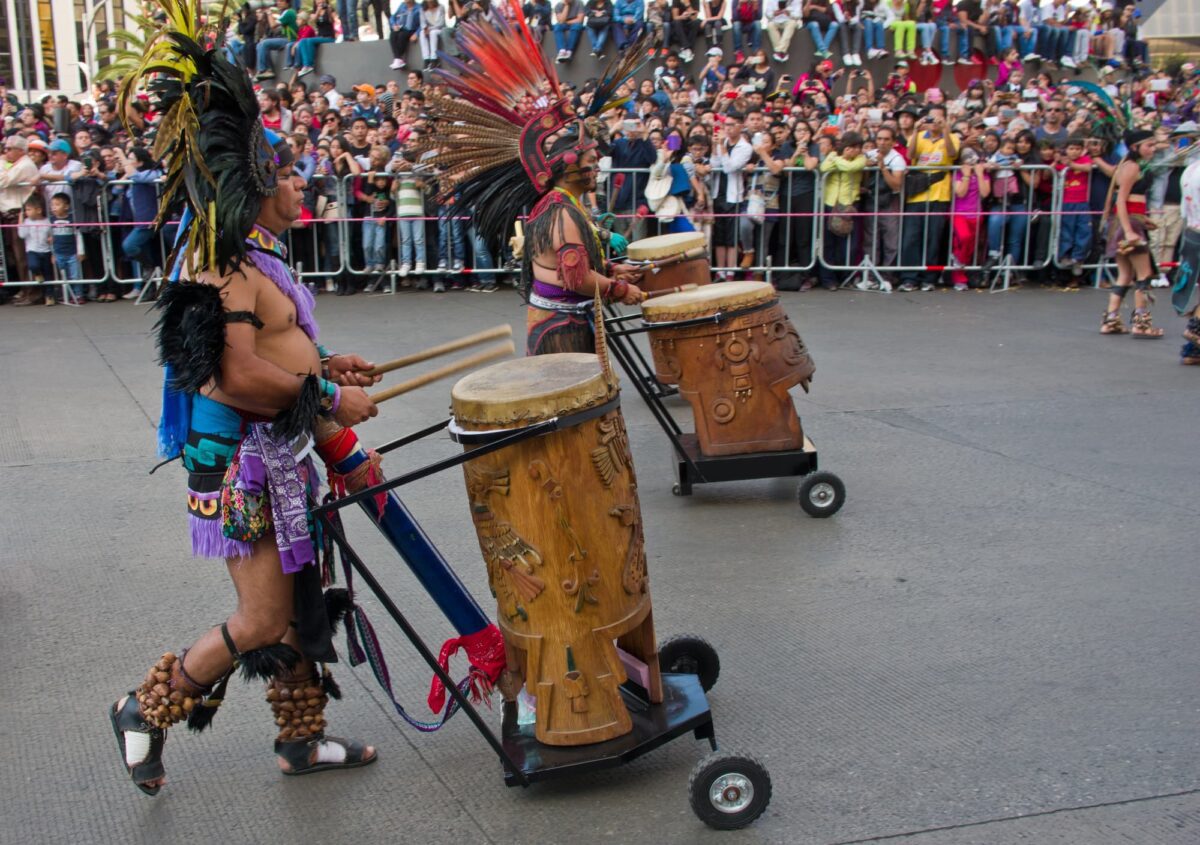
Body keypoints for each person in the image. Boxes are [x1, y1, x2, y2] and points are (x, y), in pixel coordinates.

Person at [108, 12, 382, 797]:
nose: (300, 186)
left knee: (297, 601)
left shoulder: (254, 255)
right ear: (257, 184)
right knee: (263, 618)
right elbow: (234, 378)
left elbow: (274, 348)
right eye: (290, 176)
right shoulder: (221, 263)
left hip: (276, 456)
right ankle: (143, 708)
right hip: (240, 470)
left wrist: (327, 361)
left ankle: (302, 741)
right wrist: (329, 393)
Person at [418, 10, 647, 353]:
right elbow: (574, 277)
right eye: (590, 160)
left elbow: (575, 266)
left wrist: (614, 269)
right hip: (560, 329)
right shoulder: (560, 212)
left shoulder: (568, 205)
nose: (596, 166)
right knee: (575, 407)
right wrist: (619, 289)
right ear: (566, 167)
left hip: (569, 320)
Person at [1101, 130, 1163, 338]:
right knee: (1143, 275)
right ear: (1135, 147)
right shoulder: (1132, 166)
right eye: (1149, 145)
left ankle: (1111, 320)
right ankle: (1141, 323)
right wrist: (1129, 231)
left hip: (1131, 223)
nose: (1153, 149)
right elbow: (1121, 201)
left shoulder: (1129, 165)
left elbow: (1132, 202)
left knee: (1125, 274)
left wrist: (1142, 220)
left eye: (1154, 145)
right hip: (1127, 227)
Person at [897, 103, 959, 291]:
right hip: (918, 194)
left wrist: (946, 130)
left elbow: (952, 154)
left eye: (938, 119)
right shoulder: (919, 136)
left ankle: (930, 277)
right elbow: (911, 154)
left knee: (934, 238)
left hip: (940, 194)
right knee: (911, 237)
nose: (934, 123)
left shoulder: (953, 137)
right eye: (932, 118)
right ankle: (910, 277)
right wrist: (915, 131)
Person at [1, 136, 39, 305]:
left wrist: (1, 163)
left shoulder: (25, 164)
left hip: (20, 213)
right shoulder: (15, 165)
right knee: (15, 256)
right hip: (10, 213)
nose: (5, 151)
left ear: (21, 150)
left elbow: (3, 180)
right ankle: (25, 288)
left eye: (9, 148)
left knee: (22, 255)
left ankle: (32, 291)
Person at [949, 147, 989, 290]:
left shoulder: (982, 174)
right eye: (967, 157)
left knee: (969, 246)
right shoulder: (958, 174)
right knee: (964, 238)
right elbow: (960, 193)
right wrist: (966, 175)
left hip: (976, 214)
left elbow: (985, 193)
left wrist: (979, 175)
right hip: (959, 213)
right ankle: (958, 262)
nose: (971, 160)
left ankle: (960, 277)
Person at [17, 194, 53, 305]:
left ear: (38, 210)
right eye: (26, 210)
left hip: (46, 251)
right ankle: (37, 273)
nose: (26, 212)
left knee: (48, 274)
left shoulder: (47, 221)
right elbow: (22, 235)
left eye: (28, 209)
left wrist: (52, 238)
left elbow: (51, 234)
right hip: (32, 250)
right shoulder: (27, 222)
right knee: (33, 265)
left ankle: (49, 296)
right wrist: (21, 222)